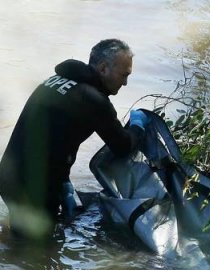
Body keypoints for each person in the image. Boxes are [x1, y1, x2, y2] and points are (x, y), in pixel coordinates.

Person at [0, 39, 148, 238]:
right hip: (35, 188)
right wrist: (138, 127)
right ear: (103, 68)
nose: (125, 82)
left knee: (19, 236)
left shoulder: (53, 81)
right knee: (37, 256)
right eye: (124, 75)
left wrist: (64, 182)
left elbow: (53, 137)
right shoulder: (94, 99)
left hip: (9, 177)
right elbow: (122, 146)